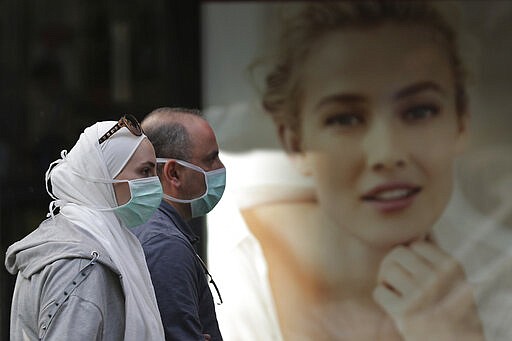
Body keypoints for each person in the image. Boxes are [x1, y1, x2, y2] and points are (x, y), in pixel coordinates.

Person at [206, 1, 512, 340]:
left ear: (462, 122)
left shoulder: (501, 286)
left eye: (419, 111)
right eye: (345, 119)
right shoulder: (207, 262)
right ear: (295, 144)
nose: (388, 154)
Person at [5, 115, 165, 340]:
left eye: (155, 172)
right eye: (145, 172)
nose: (154, 183)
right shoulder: (81, 264)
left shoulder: (91, 240)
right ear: (104, 175)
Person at [132, 107, 225, 341]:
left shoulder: (144, 226)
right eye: (210, 159)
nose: (220, 167)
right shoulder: (166, 246)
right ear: (173, 173)